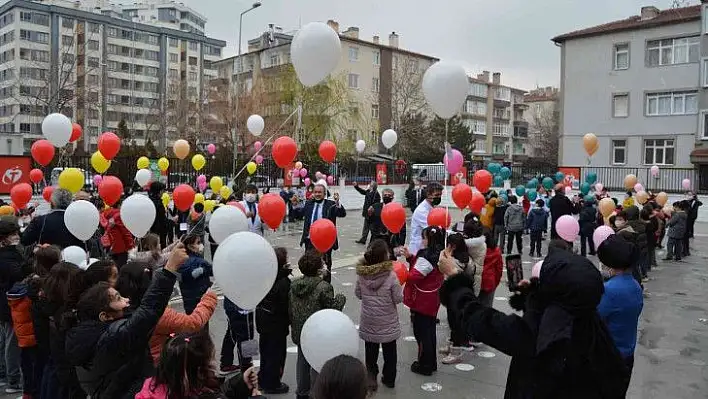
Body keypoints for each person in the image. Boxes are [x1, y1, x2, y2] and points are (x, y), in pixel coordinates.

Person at [438, 241, 629, 398]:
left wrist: (455, 278)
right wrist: (530, 294)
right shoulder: (593, 328)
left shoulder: (542, 334)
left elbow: (481, 319)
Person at [65, 243, 188, 398]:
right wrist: (169, 269)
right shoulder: (113, 337)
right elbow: (148, 311)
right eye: (118, 298)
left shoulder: (91, 332)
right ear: (105, 316)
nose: (126, 300)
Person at [114, 261, 217, 364]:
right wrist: (210, 297)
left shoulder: (118, 308)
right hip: (157, 365)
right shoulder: (158, 314)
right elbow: (193, 323)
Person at [136, 331, 264, 399]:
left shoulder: (156, 385)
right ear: (198, 370)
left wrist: (240, 382)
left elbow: (215, 394)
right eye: (210, 360)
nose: (213, 363)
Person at [289, 250, 346, 399]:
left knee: (302, 361)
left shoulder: (294, 285)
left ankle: (302, 392)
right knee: (317, 362)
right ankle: (316, 393)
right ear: (318, 268)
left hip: (300, 330)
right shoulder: (323, 287)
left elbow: (290, 308)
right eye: (322, 262)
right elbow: (332, 308)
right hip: (317, 332)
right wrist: (341, 298)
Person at [596, 234, 643, 395]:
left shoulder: (610, 291)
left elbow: (594, 318)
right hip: (627, 354)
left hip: (609, 358)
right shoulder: (635, 286)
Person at [355, 239, 403, 390]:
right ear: (384, 256)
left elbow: (358, 294)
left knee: (371, 352)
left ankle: (371, 378)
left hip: (369, 320)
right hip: (387, 322)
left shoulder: (362, 275)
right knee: (390, 352)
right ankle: (389, 378)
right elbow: (398, 298)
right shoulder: (391, 276)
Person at [403, 226, 445, 376]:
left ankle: (424, 364)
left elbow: (415, 275)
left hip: (422, 300)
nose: (422, 241)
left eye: (424, 238)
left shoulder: (426, 257)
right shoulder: (440, 253)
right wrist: (410, 258)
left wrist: (402, 270)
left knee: (421, 333)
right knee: (430, 332)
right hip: (433, 298)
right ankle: (431, 362)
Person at [255, 247, 291, 394]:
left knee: (265, 350)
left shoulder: (265, 277)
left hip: (263, 320)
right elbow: (285, 306)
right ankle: (272, 383)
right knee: (276, 353)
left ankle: (263, 378)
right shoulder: (283, 282)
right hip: (277, 323)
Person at [299, 183, 346, 282]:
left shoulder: (331, 204)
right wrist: (295, 206)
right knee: (309, 266)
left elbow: (342, 214)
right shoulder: (308, 204)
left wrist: (337, 203)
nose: (317, 194)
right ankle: (309, 287)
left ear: (324, 193)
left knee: (325, 267)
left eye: (320, 192)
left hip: (325, 241)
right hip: (310, 240)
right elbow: (299, 215)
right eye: (315, 192)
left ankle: (326, 288)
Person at [0, 216, 24, 394]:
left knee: (3, 340)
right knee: (11, 342)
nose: (16, 236)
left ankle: (3, 374)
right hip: (9, 303)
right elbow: (16, 274)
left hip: (3, 303)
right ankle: (13, 380)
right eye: (12, 234)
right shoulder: (9, 256)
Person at [366, 188, 406, 258]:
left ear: (392, 197)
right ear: (382, 196)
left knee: (390, 261)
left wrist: (400, 244)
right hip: (377, 238)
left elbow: (402, 228)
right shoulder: (375, 206)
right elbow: (369, 222)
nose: (387, 197)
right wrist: (369, 215)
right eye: (385, 195)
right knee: (374, 259)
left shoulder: (397, 209)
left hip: (391, 239)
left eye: (389, 195)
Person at [221, 299, 255, 374]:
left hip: (231, 305)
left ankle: (226, 363)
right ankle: (247, 369)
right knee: (247, 337)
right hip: (243, 307)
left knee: (231, 333)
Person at [409, 183, 443, 255]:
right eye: (436, 195)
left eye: (440, 195)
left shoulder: (431, 207)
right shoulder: (422, 210)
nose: (439, 197)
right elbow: (433, 228)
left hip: (426, 246)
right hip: (418, 248)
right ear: (428, 195)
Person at [100, 198, 135, 268]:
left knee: (114, 264)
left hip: (110, 244)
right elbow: (125, 232)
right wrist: (130, 244)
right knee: (122, 266)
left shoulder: (105, 214)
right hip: (121, 245)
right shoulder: (119, 215)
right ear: (119, 205)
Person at [479, 228, 503, 308]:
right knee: (487, 308)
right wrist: (495, 283)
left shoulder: (475, 251)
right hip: (490, 282)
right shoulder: (496, 252)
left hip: (476, 282)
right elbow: (499, 270)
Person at [148, 182, 169, 248]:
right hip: (158, 229)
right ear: (159, 191)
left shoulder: (149, 200)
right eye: (163, 190)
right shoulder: (157, 203)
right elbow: (161, 217)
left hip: (152, 229)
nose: (163, 192)